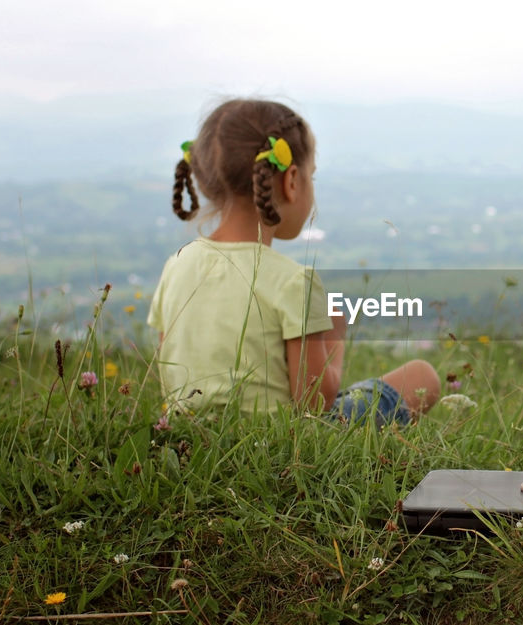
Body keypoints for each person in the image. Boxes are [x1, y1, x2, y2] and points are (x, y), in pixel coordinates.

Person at [147, 98, 440, 425]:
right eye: (311, 176)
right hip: (280, 443)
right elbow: (314, 404)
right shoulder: (292, 282)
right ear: (291, 181)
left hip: (189, 435)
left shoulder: (177, 264)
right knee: (421, 375)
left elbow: (166, 369)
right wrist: (334, 338)